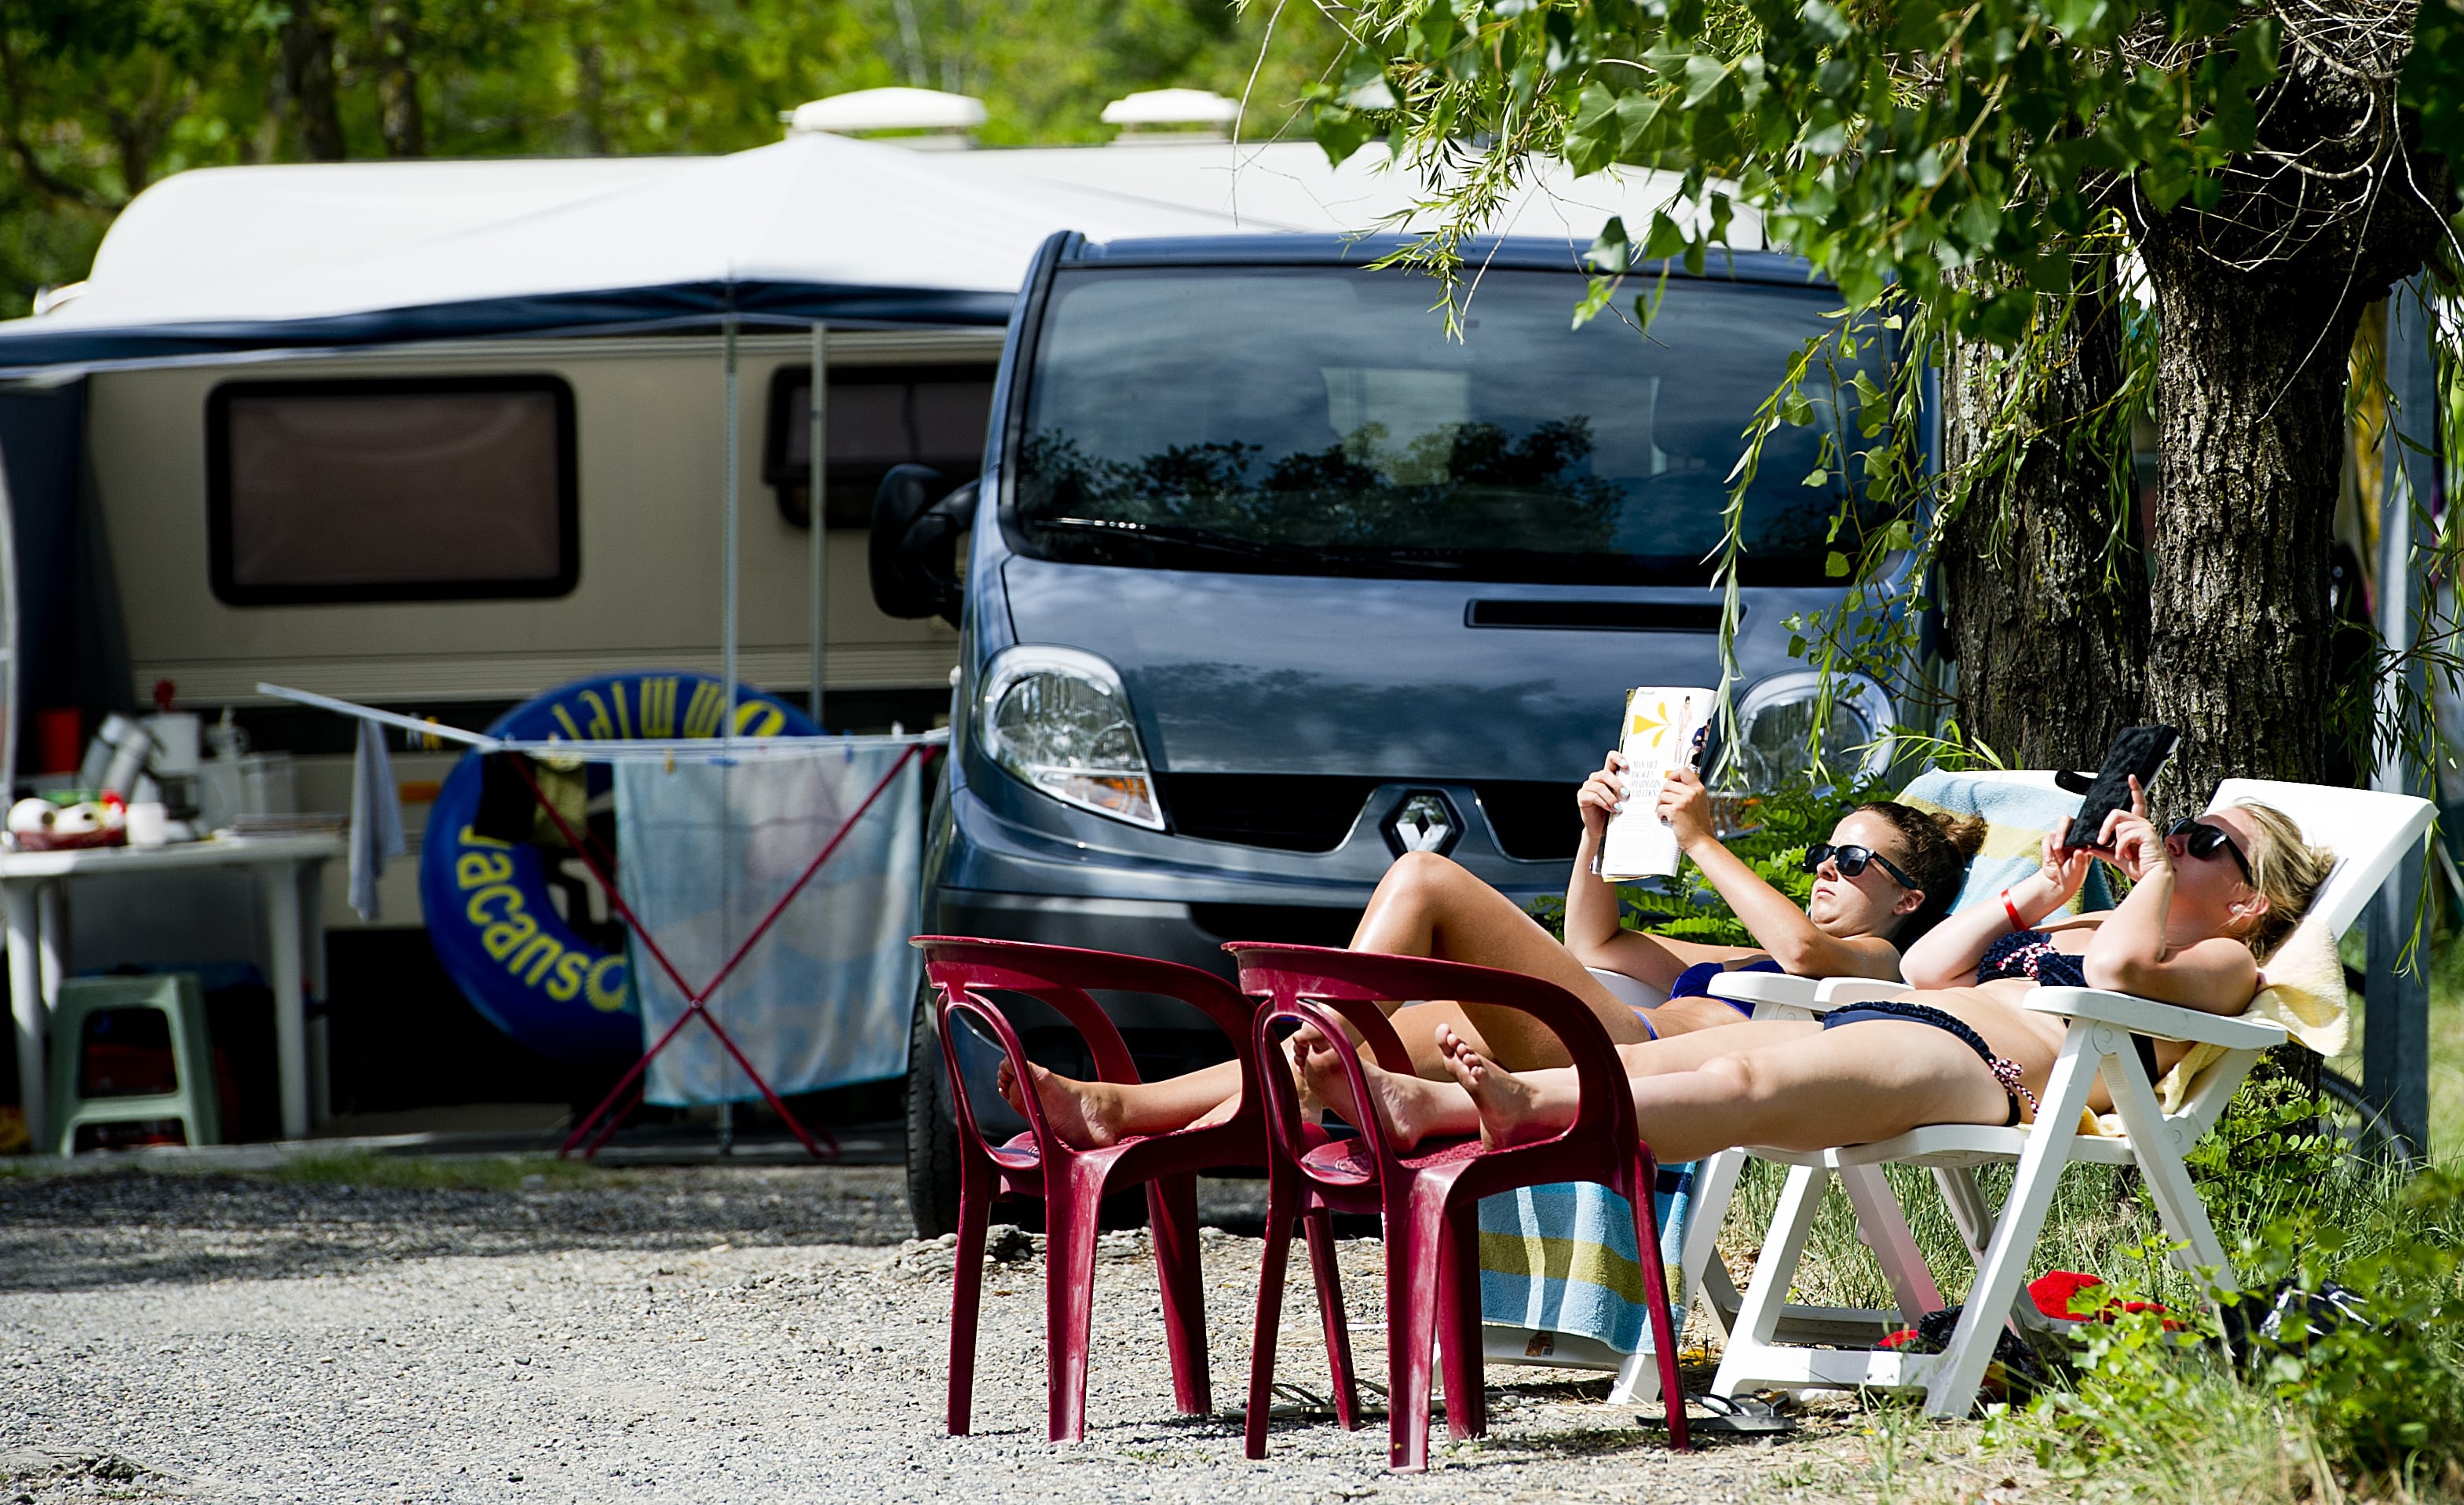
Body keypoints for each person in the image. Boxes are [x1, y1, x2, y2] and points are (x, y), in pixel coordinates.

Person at [997, 747, 1983, 1149]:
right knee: (1364, 1048)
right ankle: (1114, 1112)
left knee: (1426, 880)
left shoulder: (1885, 969)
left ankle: (1319, 1019)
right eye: (1823, 851)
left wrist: (1701, 841)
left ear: (1906, 898)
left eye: (1850, 859)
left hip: (1624, 1055)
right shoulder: (1743, 949)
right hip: (1591, 1025)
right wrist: (1596, 836)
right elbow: (1593, 938)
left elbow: (1805, 954)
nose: (1824, 867)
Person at [1308, 779, 2334, 1161]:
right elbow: (1933, 962)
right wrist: (2035, 899)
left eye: (2208, 838)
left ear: (2252, 899)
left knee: (1741, 1088)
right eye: (2185, 830)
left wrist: (2151, 867)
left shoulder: (2217, 964)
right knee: (1668, 1068)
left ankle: (1451, 1110)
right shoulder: (2112, 916)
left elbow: (2110, 973)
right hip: (1902, 1018)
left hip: (1990, 1071)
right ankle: (1432, 1103)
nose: (2181, 841)